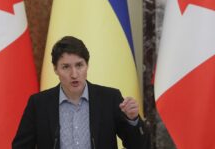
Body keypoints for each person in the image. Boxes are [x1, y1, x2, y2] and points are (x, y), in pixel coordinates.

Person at [12, 36, 150, 149]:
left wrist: (133, 120)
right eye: (66, 67)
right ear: (55, 69)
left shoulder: (109, 98)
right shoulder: (39, 103)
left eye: (79, 65)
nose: (74, 74)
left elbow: (138, 146)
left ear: (87, 65)